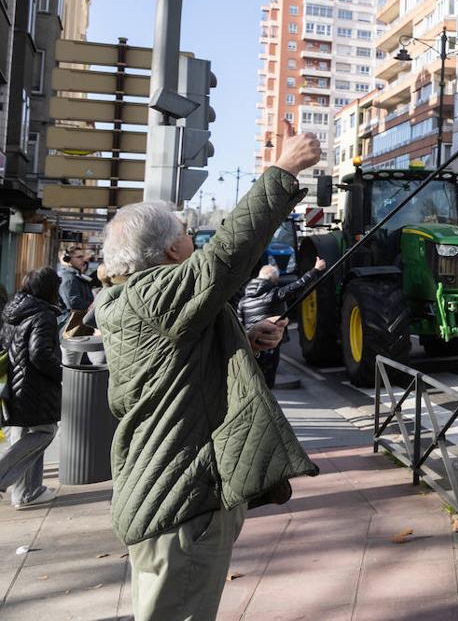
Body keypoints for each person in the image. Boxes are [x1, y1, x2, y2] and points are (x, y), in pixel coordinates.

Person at [95, 133, 322, 621]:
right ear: (170, 250)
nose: (192, 239)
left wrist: (245, 335)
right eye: (184, 232)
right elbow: (225, 257)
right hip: (181, 500)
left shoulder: (138, 300)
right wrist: (280, 174)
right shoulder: (154, 295)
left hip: (170, 494)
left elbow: (180, 359)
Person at [0, 266, 63, 510]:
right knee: (45, 431)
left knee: (23, 432)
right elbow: (39, 353)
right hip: (34, 386)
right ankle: (7, 476)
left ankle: (27, 492)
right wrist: (62, 374)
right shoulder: (43, 315)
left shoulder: (12, 311)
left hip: (14, 385)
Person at [236, 257, 326, 388]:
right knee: (266, 386)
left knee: (252, 384)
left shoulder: (243, 300)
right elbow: (297, 286)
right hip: (268, 347)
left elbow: (239, 325)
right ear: (273, 280)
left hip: (249, 347)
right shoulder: (273, 294)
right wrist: (316, 270)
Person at [59, 245, 94, 338]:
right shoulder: (68, 278)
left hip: (76, 326)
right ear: (68, 260)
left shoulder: (74, 276)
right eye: (79, 257)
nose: (83, 260)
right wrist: (92, 306)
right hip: (69, 327)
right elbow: (73, 303)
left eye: (82, 256)